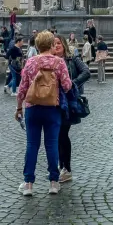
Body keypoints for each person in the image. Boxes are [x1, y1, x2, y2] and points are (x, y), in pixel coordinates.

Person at [16, 32, 72, 196]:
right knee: (52, 144)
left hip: (32, 107)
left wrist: (19, 108)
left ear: (37, 45)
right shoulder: (59, 62)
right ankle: (54, 183)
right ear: (52, 45)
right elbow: (67, 86)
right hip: (52, 108)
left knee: (32, 145)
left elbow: (22, 88)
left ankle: (28, 184)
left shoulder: (31, 62)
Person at [53, 35, 90, 184]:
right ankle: (61, 165)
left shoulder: (71, 59)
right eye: (53, 43)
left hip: (68, 103)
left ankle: (66, 169)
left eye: (58, 43)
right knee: (56, 135)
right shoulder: (49, 60)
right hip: (52, 101)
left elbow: (86, 72)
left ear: (64, 44)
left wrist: (72, 83)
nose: (56, 45)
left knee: (62, 134)